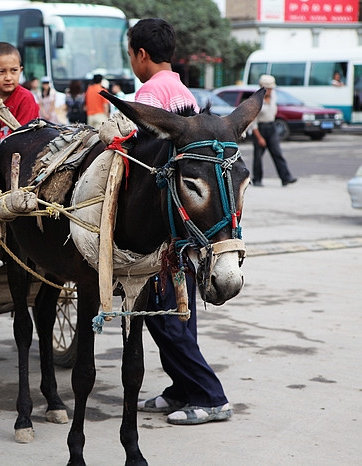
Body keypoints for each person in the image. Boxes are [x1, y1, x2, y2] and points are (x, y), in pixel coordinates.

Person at [128, 18, 232, 426]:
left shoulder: (150, 92)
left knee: (166, 317)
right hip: (187, 226)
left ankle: (211, 397)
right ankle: (180, 389)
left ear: (140, 54)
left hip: (165, 226)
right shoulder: (183, 91)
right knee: (176, 315)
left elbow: (143, 155)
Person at [0, 42, 39, 167]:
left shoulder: (25, 98)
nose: (8, 77)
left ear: (20, 71)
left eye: (14, 71)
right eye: (1, 72)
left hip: (18, 156)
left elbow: (23, 139)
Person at [251, 74, 297, 187]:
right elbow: (253, 122)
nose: (271, 91)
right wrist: (259, 137)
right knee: (258, 156)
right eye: (269, 89)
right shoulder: (256, 100)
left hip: (271, 127)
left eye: (272, 88)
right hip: (260, 129)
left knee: (277, 152)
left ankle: (286, 177)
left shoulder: (274, 96)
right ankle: (257, 179)